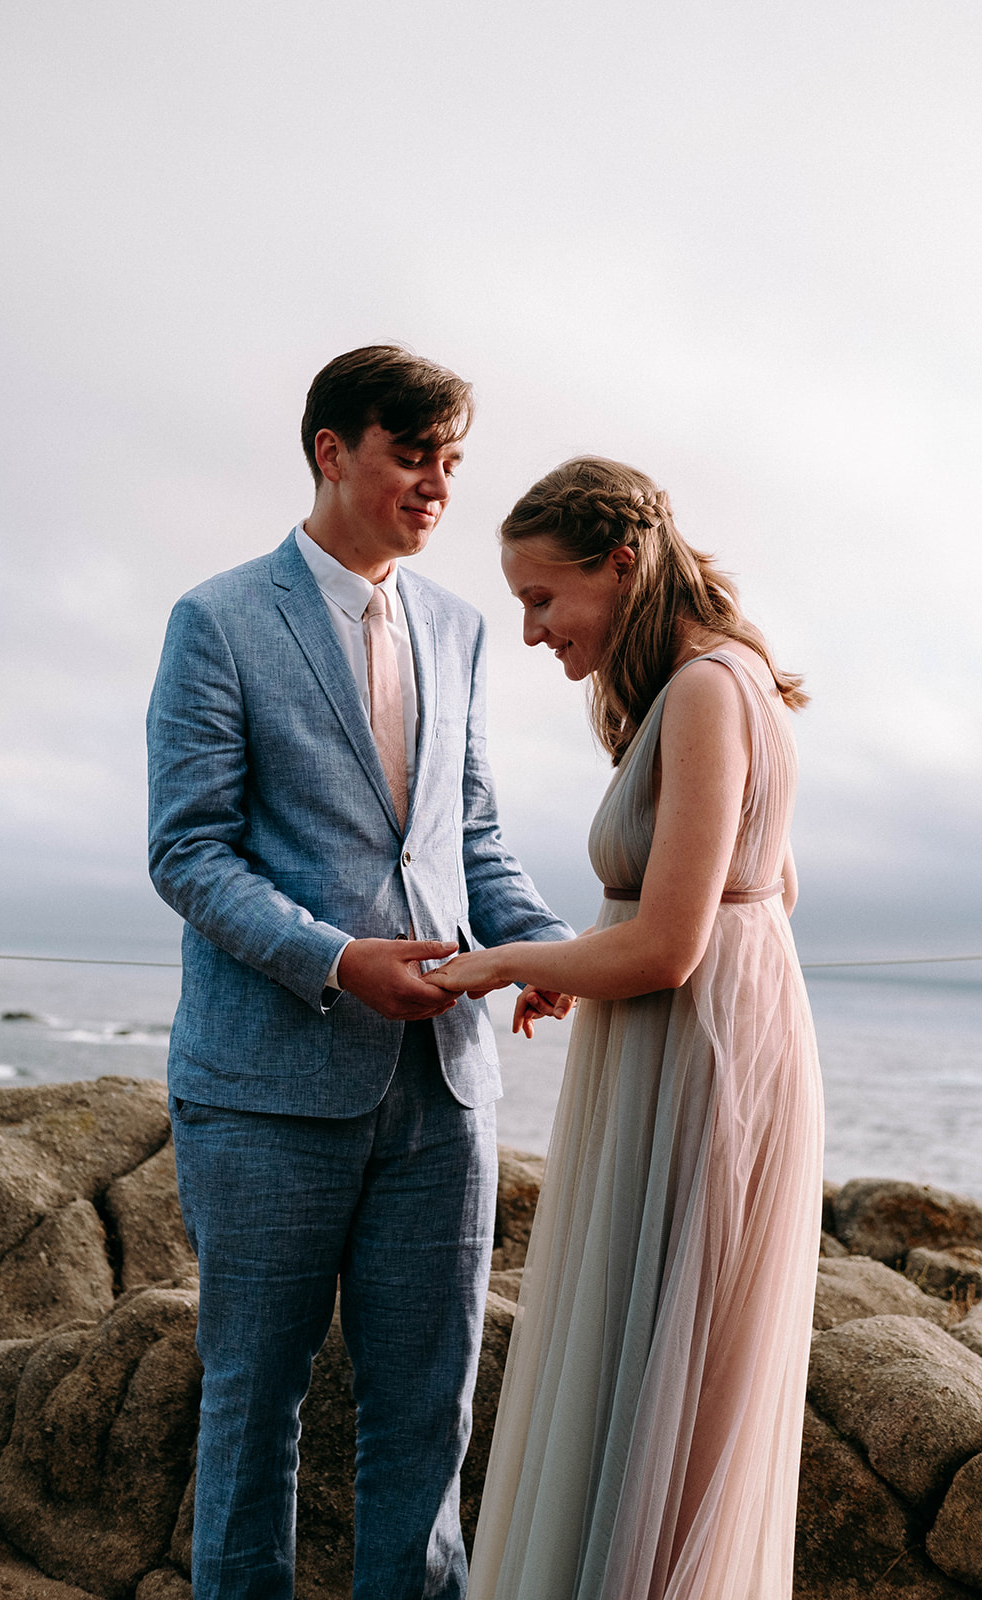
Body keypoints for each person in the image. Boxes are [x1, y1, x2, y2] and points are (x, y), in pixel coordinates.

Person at [146, 345, 572, 1600]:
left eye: (451, 460)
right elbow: (188, 849)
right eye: (411, 453)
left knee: (424, 1411)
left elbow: (469, 835)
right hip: (265, 1089)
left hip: (442, 1091)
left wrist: (535, 953)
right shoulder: (215, 618)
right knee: (252, 1409)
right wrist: (334, 958)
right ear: (332, 450)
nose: (437, 484)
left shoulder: (460, 625)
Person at [427, 456, 824, 1600]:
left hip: (692, 1054)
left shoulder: (701, 691)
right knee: (666, 1388)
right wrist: (578, 967)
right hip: (712, 1036)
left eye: (543, 598)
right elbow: (768, 891)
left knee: (652, 1381)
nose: (531, 629)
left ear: (621, 562)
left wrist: (502, 958)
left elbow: (666, 946)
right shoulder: (727, 681)